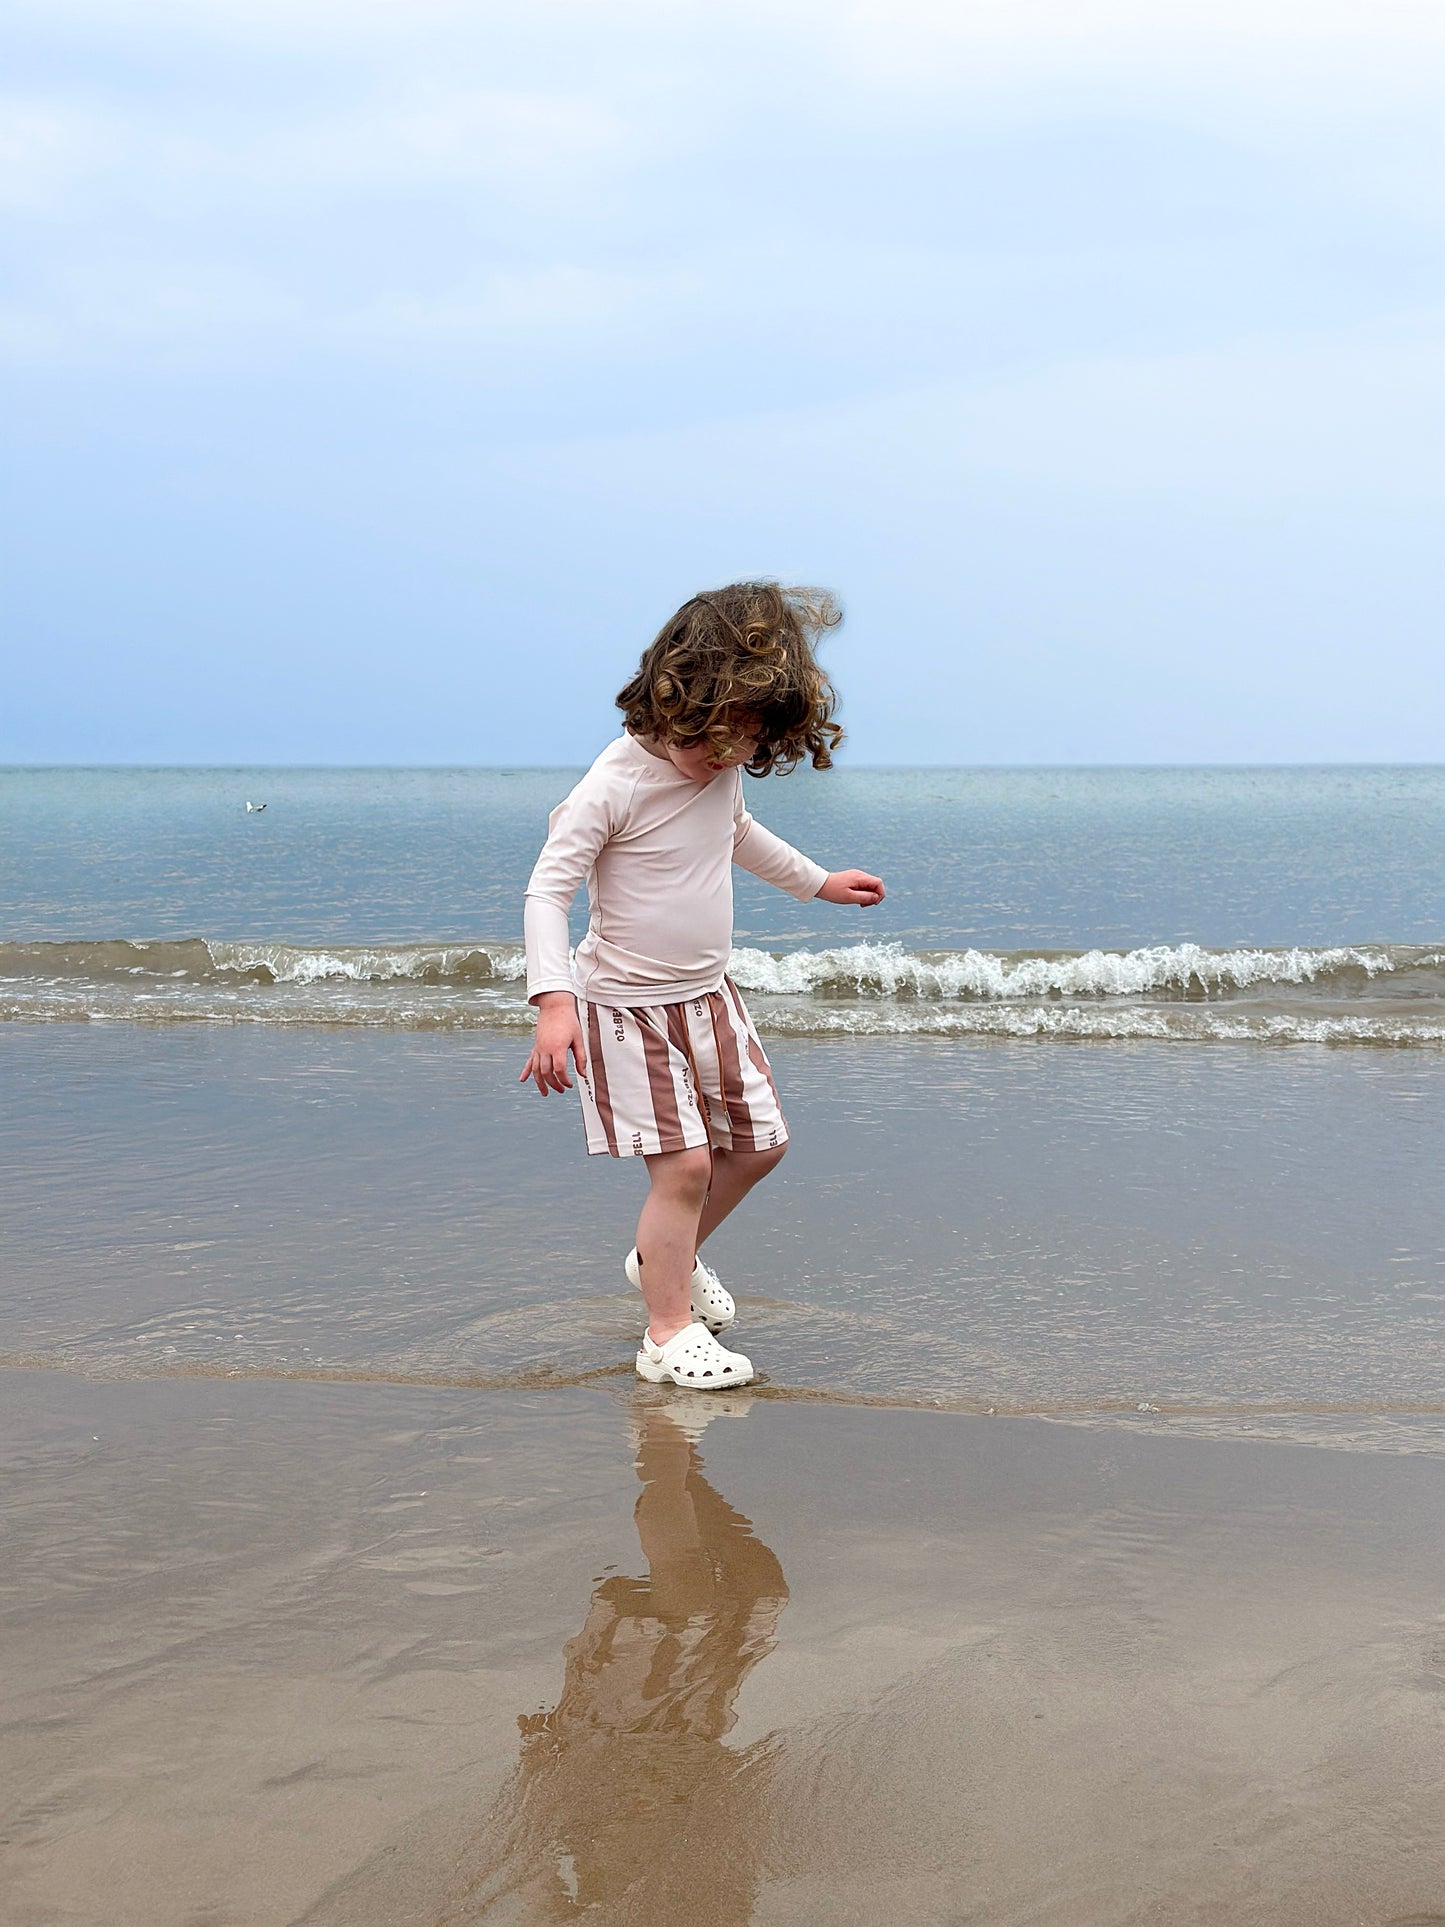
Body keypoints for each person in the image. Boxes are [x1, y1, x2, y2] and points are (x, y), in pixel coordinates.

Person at [519, 582, 885, 1390]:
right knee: (681, 1169)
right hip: (625, 1008)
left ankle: (659, 1255)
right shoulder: (610, 785)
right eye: (717, 740)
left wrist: (818, 883)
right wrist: (552, 1003)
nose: (727, 760)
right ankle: (665, 1331)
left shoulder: (719, 769)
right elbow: (548, 891)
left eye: (746, 745)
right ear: (674, 697)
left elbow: (739, 833)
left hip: (710, 999)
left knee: (760, 1145)